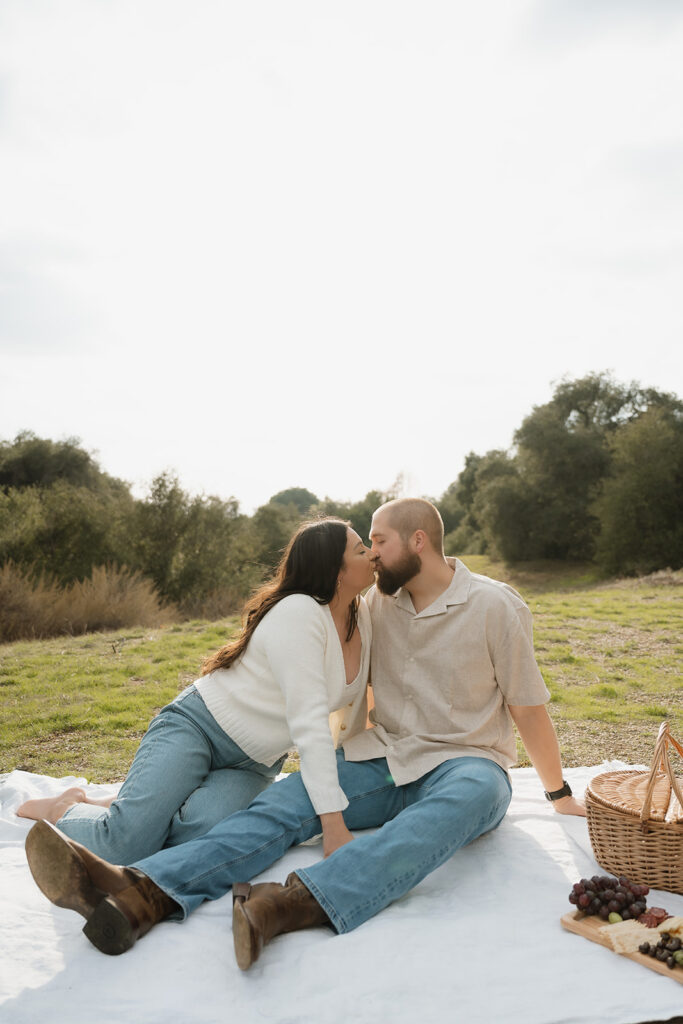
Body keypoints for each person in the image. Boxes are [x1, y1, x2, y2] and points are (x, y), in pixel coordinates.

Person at [24, 497, 585, 966]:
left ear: (418, 541)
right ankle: (142, 892)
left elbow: (528, 707)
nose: (371, 554)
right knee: (282, 807)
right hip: (382, 755)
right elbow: (344, 700)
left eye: (378, 541)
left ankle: (288, 905)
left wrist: (556, 793)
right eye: (363, 546)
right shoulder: (373, 606)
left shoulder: (493, 605)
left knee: (480, 791)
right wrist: (332, 796)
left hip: (465, 761)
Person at [18, 517, 374, 863]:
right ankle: (65, 807)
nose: (372, 554)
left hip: (253, 766)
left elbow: (352, 715)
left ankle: (129, 808)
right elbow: (309, 720)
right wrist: (333, 825)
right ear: (336, 570)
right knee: (123, 847)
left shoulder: (363, 619)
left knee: (197, 838)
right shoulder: (299, 613)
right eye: (361, 550)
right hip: (199, 727)